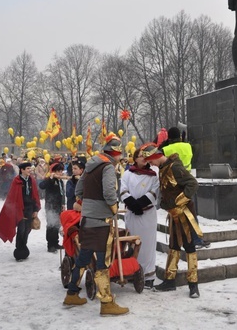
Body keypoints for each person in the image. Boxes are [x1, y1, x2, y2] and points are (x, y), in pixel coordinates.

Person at [63, 133, 129, 316]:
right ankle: (107, 303)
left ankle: (72, 294)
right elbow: (109, 193)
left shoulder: (91, 165)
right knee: (103, 263)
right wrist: (114, 208)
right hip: (101, 223)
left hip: (87, 220)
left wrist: (90, 206)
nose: (121, 158)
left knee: (83, 258)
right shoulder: (108, 167)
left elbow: (79, 190)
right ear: (114, 153)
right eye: (120, 154)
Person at [140, 142, 202, 298]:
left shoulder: (174, 167)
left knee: (189, 246)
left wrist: (178, 202)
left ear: (156, 156)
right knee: (174, 246)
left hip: (184, 214)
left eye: (151, 161)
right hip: (174, 215)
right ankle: (169, 280)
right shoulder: (163, 168)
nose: (151, 164)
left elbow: (192, 184)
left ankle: (193, 284)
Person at [120, 148, 159, 289]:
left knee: (147, 246)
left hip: (147, 215)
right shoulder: (127, 174)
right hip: (132, 214)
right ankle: (133, 271)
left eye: (145, 156)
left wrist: (141, 204)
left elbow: (154, 191)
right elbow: (123, 190)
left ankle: (148, 276)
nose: (143, 158)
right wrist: (132, 204)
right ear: (135, 158)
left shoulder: (153, 175)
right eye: (140, 156)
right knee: (132, 243)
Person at [0, 161, 41, 261]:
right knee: (21, 229)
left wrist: (36, 209)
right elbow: (12, 197)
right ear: (22, 170)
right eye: (28, 168)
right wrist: (17, 210)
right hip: (20, 209)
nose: (30, 170)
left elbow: (35, 195)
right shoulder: (16, 181)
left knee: (27, 230)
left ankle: (23, 248)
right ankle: (19, 250)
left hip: (30, 208)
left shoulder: (31, 180)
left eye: (30, 168)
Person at [39, 162, 66, 252]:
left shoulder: (60, 181)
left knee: (57, 224)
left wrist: (63, 203)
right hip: (50, 205)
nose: (60, 173)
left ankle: (56, 242)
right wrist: (50, 178)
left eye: (61, 171)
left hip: (58, 205)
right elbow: (41, 186)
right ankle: (50, 245)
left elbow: (62, 193)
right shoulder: (50, 180)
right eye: (58, 171)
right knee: (51, 225)